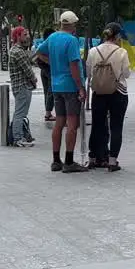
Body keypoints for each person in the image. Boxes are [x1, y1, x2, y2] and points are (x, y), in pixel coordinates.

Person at [38, 11, 87, 173]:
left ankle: (55, 160)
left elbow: (39, 52)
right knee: (72, 124)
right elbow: (74, 66)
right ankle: (69, 161)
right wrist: (80, 87)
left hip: (56, 86)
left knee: (59, 122)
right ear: (72, 25)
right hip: (70, 87)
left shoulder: (52, 38)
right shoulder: (71, 41)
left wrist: (52, 62)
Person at [87, 23, 131, 171]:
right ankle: (112, 161)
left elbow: (89, 73)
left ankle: (92, 157)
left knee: (97, 125)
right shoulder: (122, 52)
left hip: (98, 93)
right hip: (118, 93)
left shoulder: (93, 51)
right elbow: (126, 74)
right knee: (116, 126)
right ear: (117, 36)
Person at [6, 27, 38, 148]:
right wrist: (34, 79)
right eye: (25, 34)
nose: (27, 36)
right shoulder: (18, 52)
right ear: (18, 36)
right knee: (20, 113)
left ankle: (18, 136)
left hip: (19, 86)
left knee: (20, 112)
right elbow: (28, 70)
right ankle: (18, 138)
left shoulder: (16, 50)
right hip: (22, 86)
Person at [37, 28, 55, 123]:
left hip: (43, 70)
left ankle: (48, 112)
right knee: (50, 91)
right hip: (49, 70)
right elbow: (39, 54)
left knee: (46, 91)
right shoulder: (49, 45)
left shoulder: (43, 44)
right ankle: (48, 113)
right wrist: (51, 63)